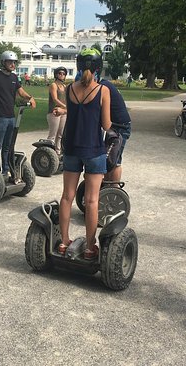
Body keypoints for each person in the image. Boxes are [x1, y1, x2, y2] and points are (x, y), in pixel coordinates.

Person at [55, 48, 111, 260]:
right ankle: (89, 247)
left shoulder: (69, 89)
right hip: (94, 150)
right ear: (98, 68)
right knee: (91, 200)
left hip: (71, 148)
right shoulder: (102, 90)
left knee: (67, 197)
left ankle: (63, 241)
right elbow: (106, 124)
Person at [0, 51, 36, 177]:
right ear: (3, 62)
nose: (12, 64)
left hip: (11, 117)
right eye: (10, 62)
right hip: (0, 116)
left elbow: (21, 92)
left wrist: (30, 98)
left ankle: (5, 171)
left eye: (14, 62)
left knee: (7, 146)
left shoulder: (14, 78)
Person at [99, 73, 132, 182]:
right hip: (116, 125)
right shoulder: (105, 84)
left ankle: (114, 188)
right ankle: (107, 185)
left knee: (114, 160)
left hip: (120, 126)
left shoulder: (103, 87)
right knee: (108, 159)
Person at [46, 67, 67, 154]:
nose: (62, 75)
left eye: (64, 74)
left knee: (60, 135)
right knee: (52, 134)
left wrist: (65, 108)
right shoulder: (53, 85)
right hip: (54, 112)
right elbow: (55, 99)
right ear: (56, 74)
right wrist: (65, 106)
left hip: (63, 112)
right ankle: (48, 152)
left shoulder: (64, 86)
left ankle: (57, 152)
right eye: (60, 73)